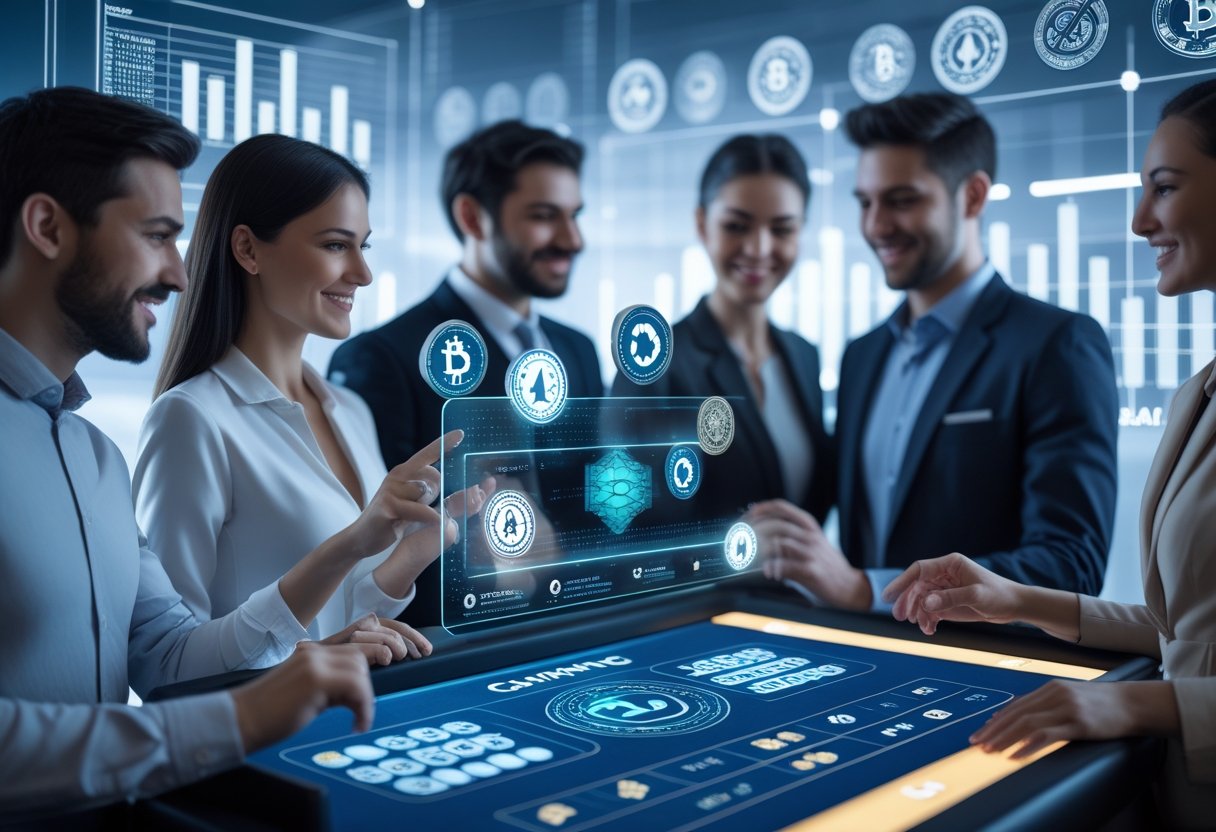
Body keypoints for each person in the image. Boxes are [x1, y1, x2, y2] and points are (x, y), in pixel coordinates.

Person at [0, 87, 417, 819]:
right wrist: (241, 718)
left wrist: (305, 669)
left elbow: (169, 658)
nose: (180, 273)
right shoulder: (185, 418)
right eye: (157, 235)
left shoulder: (95, 458)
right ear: (46, 226)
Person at [882, 81, 1216, 827]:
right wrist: (1011, 598)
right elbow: (1191, 635)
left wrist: (1126, 701)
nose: (1138, 222)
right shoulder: (1199, 391)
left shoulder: (1055, 344)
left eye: (1164, 188)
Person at [755, 92, 1118, 612]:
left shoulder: (1055, 345)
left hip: (991, 681)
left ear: (971, 196)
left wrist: (867, 591)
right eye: (865, 202)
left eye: (902, 200)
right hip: (860, 668)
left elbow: (1070, 565)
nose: (876, 226)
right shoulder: (864, 356)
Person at [133, 134, 490, 642]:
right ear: (248, 249)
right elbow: (168, 659)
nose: (362, 273)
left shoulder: (350, 410)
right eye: (335, 245)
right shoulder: (190, 419)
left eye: (362, 247)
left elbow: (339, 618)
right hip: (260, 723)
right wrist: (313, 660)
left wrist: (409, 557)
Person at [328, 120, 601, 625]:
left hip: (580, 633)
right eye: (545, 216)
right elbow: (374, 553)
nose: (572, 239)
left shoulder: (579, 351)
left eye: (574, 215)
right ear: (473, 216)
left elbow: (595, 503)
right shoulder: (384, 357)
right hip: (453, 651)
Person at [612, 134, 832, 523]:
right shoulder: (653, 365)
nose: (759, 248)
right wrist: (731, 553)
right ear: (702, 224)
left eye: (782, 229)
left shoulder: (803, 356)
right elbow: (626, 523)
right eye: (736, 226)